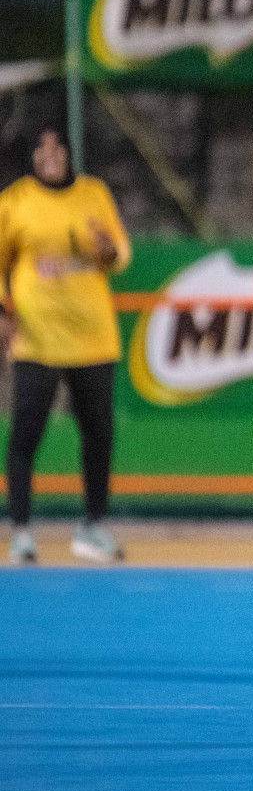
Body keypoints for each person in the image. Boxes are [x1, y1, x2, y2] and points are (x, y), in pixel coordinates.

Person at [2, 129, 131, 565]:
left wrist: (108, 249)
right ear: (31, 156)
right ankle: (21, 531)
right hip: (37, 339)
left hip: (92, 337)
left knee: (99, 434)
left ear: (71, 153)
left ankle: (92, 526)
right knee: (25, 435)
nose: (50, 154)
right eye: (41, 147)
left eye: (58, 147)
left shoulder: (94, 194)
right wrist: (4, 313)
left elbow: (120, 256)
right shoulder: (15, 202)